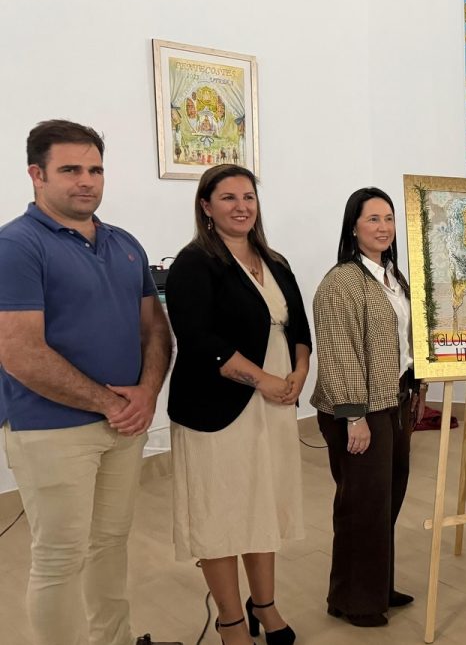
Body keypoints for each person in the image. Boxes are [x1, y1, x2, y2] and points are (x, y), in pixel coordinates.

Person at [0, 120, 175, 645]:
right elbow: (19, 350)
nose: (87, 181)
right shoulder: (16, 246)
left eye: (95, 169)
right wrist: (109, 402)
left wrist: (146, 394)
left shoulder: (125, 244)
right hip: (50, 428)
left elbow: (155, 330)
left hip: (123, 426)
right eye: (70, 169)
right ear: (36, 174)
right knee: (59, 558)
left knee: (110, 545)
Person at [165, 164, 311, 645]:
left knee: (261, 505)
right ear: (206, 207)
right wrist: (264, 379)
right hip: (216, 408)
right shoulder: (194, 263)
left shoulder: (275, 261)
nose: (241, 206)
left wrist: (298, 373)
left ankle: (264, 605)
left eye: (248, 196)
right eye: (227, 198)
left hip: (273, 404)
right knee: (221, 513)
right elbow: (199, 339)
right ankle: (230, 620)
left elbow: (298, 329)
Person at [311, 187, 426, 627]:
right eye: (373, 219)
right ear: (353, 226)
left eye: (388, 219)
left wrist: (417, 390)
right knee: (361, 504)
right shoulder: (342, 282)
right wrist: (354, 417)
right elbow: (339, 354)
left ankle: (376, 584)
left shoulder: (395, 277)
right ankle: (354, 600)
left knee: (386, 499)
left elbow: (407, 343)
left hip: (395, 400)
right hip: (359, 409)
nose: (383, 227)